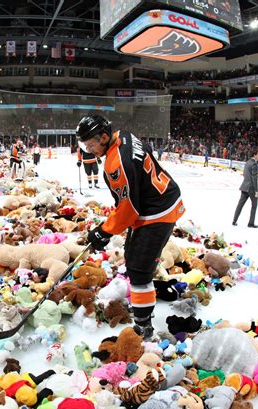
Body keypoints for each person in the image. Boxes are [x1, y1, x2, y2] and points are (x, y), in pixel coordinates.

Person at [76, 115, 185, 340]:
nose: (89, 150)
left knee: (138, 269)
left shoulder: (117, 163)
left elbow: (129, 208)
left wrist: (104, 231)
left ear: (104, 137)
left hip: (157, 211)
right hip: (157, 201)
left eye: (91, 145)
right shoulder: (124, 136)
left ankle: (143, 326)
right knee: (132, 255)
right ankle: (142, 305)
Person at [232, 149, 258, 228]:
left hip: (244, 186)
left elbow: (246, 174)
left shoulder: (247, 162)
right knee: (254, 205)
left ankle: (234, 221)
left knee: (240, 205)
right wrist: (256, 190)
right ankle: (251, 223)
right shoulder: (254, 164)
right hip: (251, 188)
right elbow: (254, 179)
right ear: (254, 155)